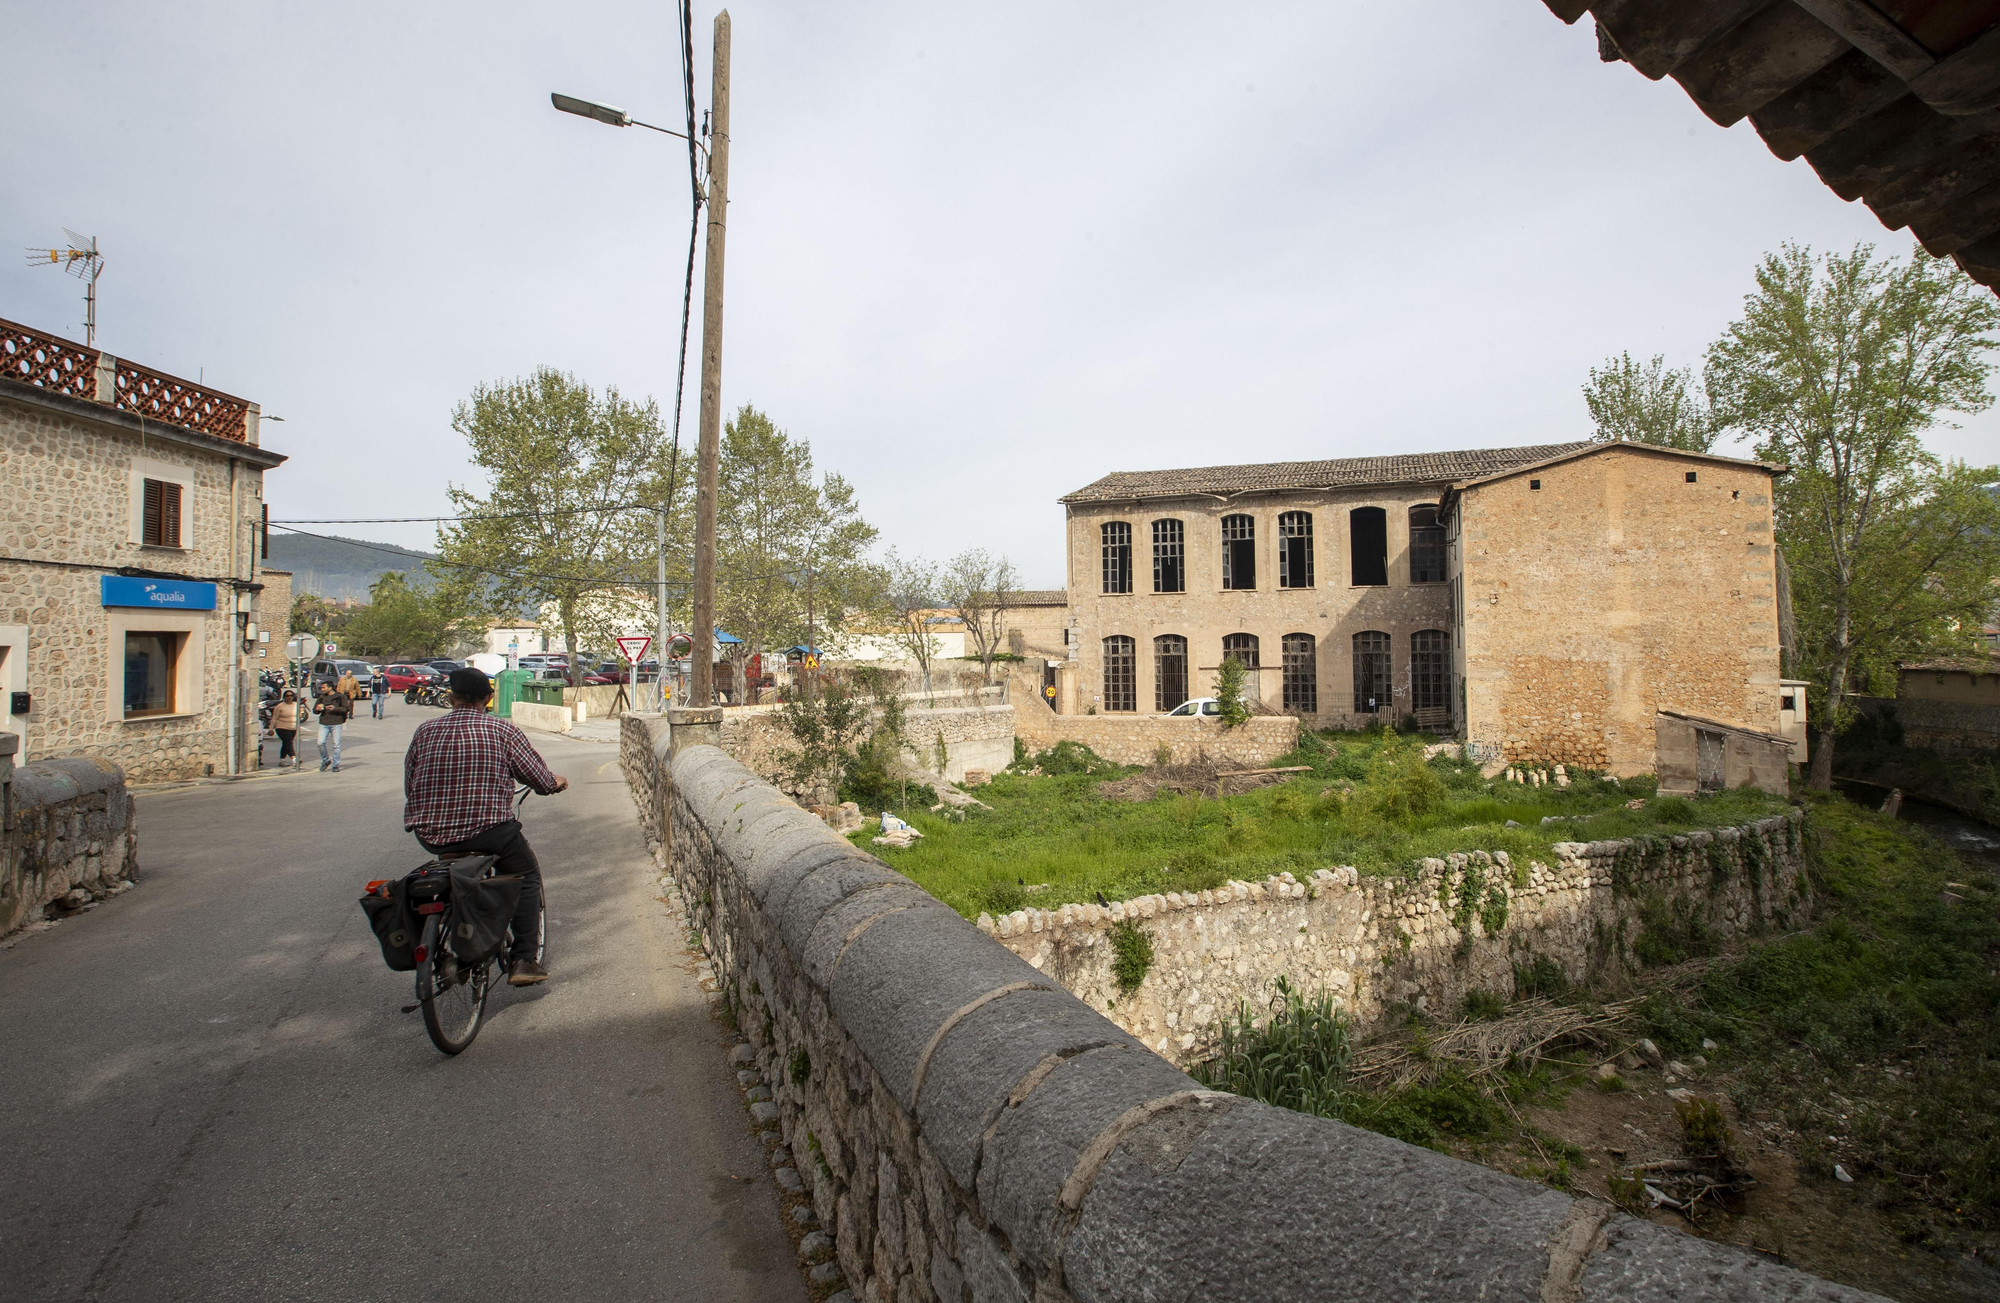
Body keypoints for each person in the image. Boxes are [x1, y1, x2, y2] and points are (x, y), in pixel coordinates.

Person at [403, 667, 568, 986]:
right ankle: (523, 959)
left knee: (455, 870)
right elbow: (537, 778)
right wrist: (554, 783)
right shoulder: (503, 731)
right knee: (526, 875)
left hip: (431, 834)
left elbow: (411, 782)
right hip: (490, 831)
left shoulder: (425, 731)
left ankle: (455, 931)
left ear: (450, 697)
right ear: (489, 698)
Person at [314, 681, 351, 771]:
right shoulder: (322, 697)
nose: (322, 689)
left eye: (324, 687)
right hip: (324, 722)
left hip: (336, 722)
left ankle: (335, 765)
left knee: (336, 745)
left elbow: (346, 708)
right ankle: (325, 760)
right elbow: (315, 710)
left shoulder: (340, 696)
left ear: (330, 687)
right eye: (321, 688)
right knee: (320, 743)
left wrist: (335, 709)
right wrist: (318, 709)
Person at [272, 689, 301, 769]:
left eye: (291, 696)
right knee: (289, 742)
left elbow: (299, 716)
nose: (289, 697)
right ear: (284, 697)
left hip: (292, 727)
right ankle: (294, 758)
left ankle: (282, 760)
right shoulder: (280, 706)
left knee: (286, 744)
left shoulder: (296, 705)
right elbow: (274, 718)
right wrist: (271, 728)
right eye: (287, 696)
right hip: (281, 727)